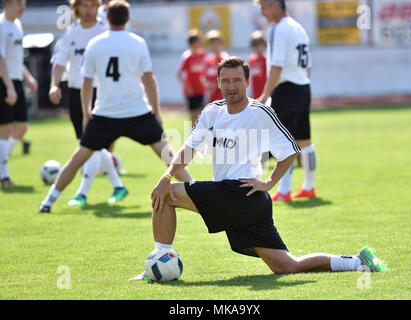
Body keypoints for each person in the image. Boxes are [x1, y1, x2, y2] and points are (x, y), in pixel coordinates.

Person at [129, 57, 388, 281]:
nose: (231, 86)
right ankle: (358, 261)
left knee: (165, 194)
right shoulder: (212, 112)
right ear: (218, 82)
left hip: (241, 192)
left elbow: (290, 150)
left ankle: (158, 261)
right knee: (286, 266)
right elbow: (188, 149)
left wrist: (269, 182)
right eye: (225, 80)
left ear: (247, 82)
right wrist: (166, 175)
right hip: (245, 201)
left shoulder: (260, 113)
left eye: (237, 80)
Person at [38, 0, 192, 213]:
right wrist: (156, 112)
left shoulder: (95, 44)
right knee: (169, 156)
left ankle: (48, 202)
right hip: (137, 112)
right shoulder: (137, 42)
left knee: (77, 159)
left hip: (105, 114)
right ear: (128, 19)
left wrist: (86, 114)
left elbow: (86, 84)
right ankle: (198, 194)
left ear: (106, 18)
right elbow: (149, 79)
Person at [49, 0, 126, 207]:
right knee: (91, 144)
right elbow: (59, 62)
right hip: (76, 92)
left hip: (101, 93)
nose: (90, 10)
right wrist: (54, 85)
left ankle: (82, 193)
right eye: (85, 5)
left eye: (93, 5)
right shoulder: (70, 33)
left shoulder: (105, 30)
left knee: (90, 143)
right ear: (77, 8)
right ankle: (118, 186)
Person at [256, 0, 315, 202]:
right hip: (303, 86)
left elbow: (276, 65)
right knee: (305, 141)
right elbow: (308, 66)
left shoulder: (278, 29)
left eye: (264, 9)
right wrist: (303, 83)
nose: (263, 14)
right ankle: (309, 186)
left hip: (287, 89)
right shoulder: (299, 28)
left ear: (274, 5)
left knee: (284, 141)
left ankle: (284, 191)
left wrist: (265, 95)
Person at [0, 0, 38, 188]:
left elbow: (16, 57)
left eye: (24, 3)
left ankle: (1, 166)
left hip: (16, 80)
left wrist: (28, 77)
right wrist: (9, 86)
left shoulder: (17, 25)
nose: (22, 7)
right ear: (7, 5)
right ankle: (4, 177)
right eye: (18, 4)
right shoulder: (1, 26)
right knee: (5, 129)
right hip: (4, 81)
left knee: (21, 126)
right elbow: (1, 58)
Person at [177, 29, 206, 127]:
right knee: (193, 115)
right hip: (191, 91)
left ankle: (199, 135)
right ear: (194, 42)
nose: (201, 42)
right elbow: (179, 73)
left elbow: (203, 71)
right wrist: (187, 86)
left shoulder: (202, 54)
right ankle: (192, 136)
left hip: (201, 89)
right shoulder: (187, 56)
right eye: (199, 40)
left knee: (200, 114)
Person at [203, 29, 228, 103]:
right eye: (211, 43)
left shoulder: (225, 58)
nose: (214, 46)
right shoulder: (208, 59)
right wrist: (208, 85)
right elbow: (203, 77)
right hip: (211, 96)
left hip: (223, 96)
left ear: (220, 43)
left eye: (216, 43)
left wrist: (218, 85)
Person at [248, 30, 267, 99]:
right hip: (254, 94)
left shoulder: (266, 59)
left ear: (263, 44)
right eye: (254, 44)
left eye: (258, 43)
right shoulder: (251, 59)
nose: (256, 46)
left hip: (265, 95)